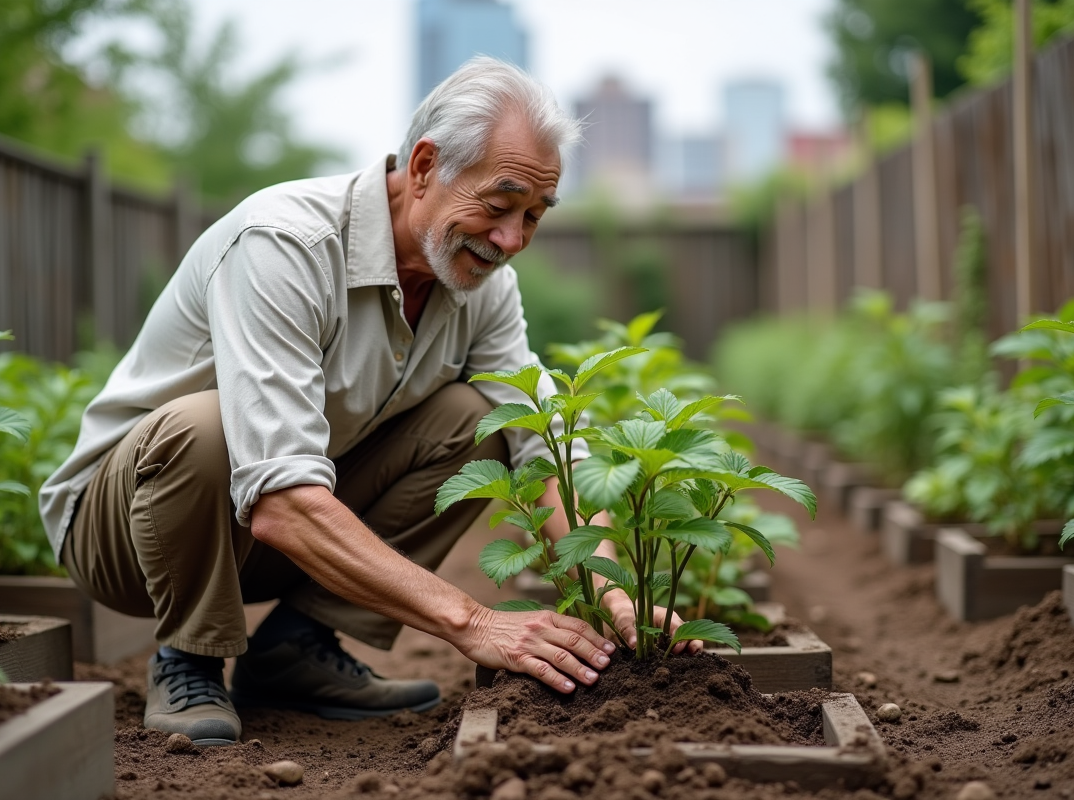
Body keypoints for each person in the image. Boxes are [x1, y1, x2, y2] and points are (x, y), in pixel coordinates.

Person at [40, 57, 694, 748]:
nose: (512, 240)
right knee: (207, 427)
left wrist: (617, 588)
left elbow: (543, 441)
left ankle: (297, 648)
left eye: (533, 215)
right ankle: (190, 657)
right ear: (423, 167)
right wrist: (475, 623)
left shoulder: (479, 282)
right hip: (131, 532)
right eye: (498, 206)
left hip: (269, 530)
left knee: (483, 425)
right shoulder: (285, 245)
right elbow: (280, 498)